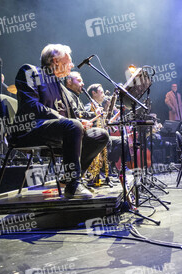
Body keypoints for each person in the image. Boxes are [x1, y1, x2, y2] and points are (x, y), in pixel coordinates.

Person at [12, 44, 109, 198]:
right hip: (30, 129)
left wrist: (80, 122)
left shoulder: (60, 86)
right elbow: (31, 105)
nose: (71, 65)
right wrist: (67, 120)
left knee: (100, 135)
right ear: (55, 61)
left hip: (58, 132)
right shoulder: (30, 71)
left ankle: (70, 178)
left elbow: (71, 117)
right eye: (69, 61)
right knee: (73, 125)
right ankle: (73, 185)